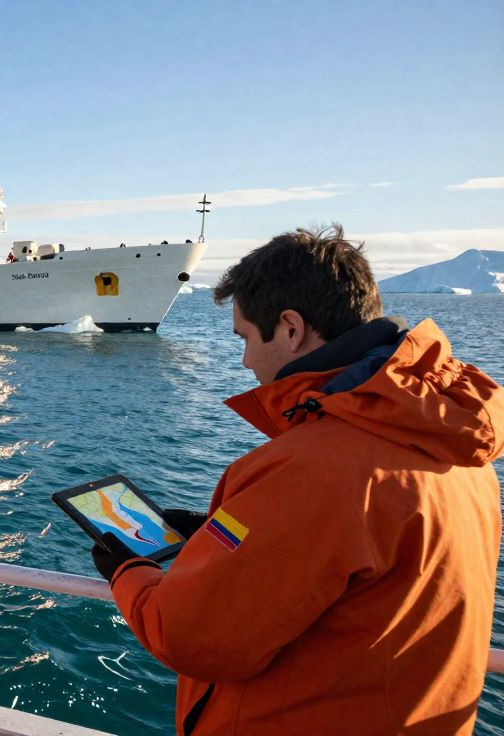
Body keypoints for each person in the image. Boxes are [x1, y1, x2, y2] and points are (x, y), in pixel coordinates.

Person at [89, 225, 503, 734]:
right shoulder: (458, 447)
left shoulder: (311, 467)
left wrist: (128, 572)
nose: (244, 360)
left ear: (290, 328)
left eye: (244, 337)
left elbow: (190, 637)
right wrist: (226, 533)